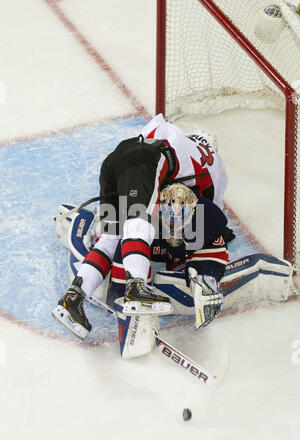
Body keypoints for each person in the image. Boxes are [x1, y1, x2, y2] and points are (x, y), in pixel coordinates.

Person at [52, 114, 229, 340]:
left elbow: (146, 136)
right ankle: (136, 289)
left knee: (110, 239)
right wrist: (215, 231)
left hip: (115, 161)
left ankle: (72, 300)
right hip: (149, 160)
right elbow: (212, 207)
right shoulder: (211, 162)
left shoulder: (171, 132)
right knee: (140, 222)